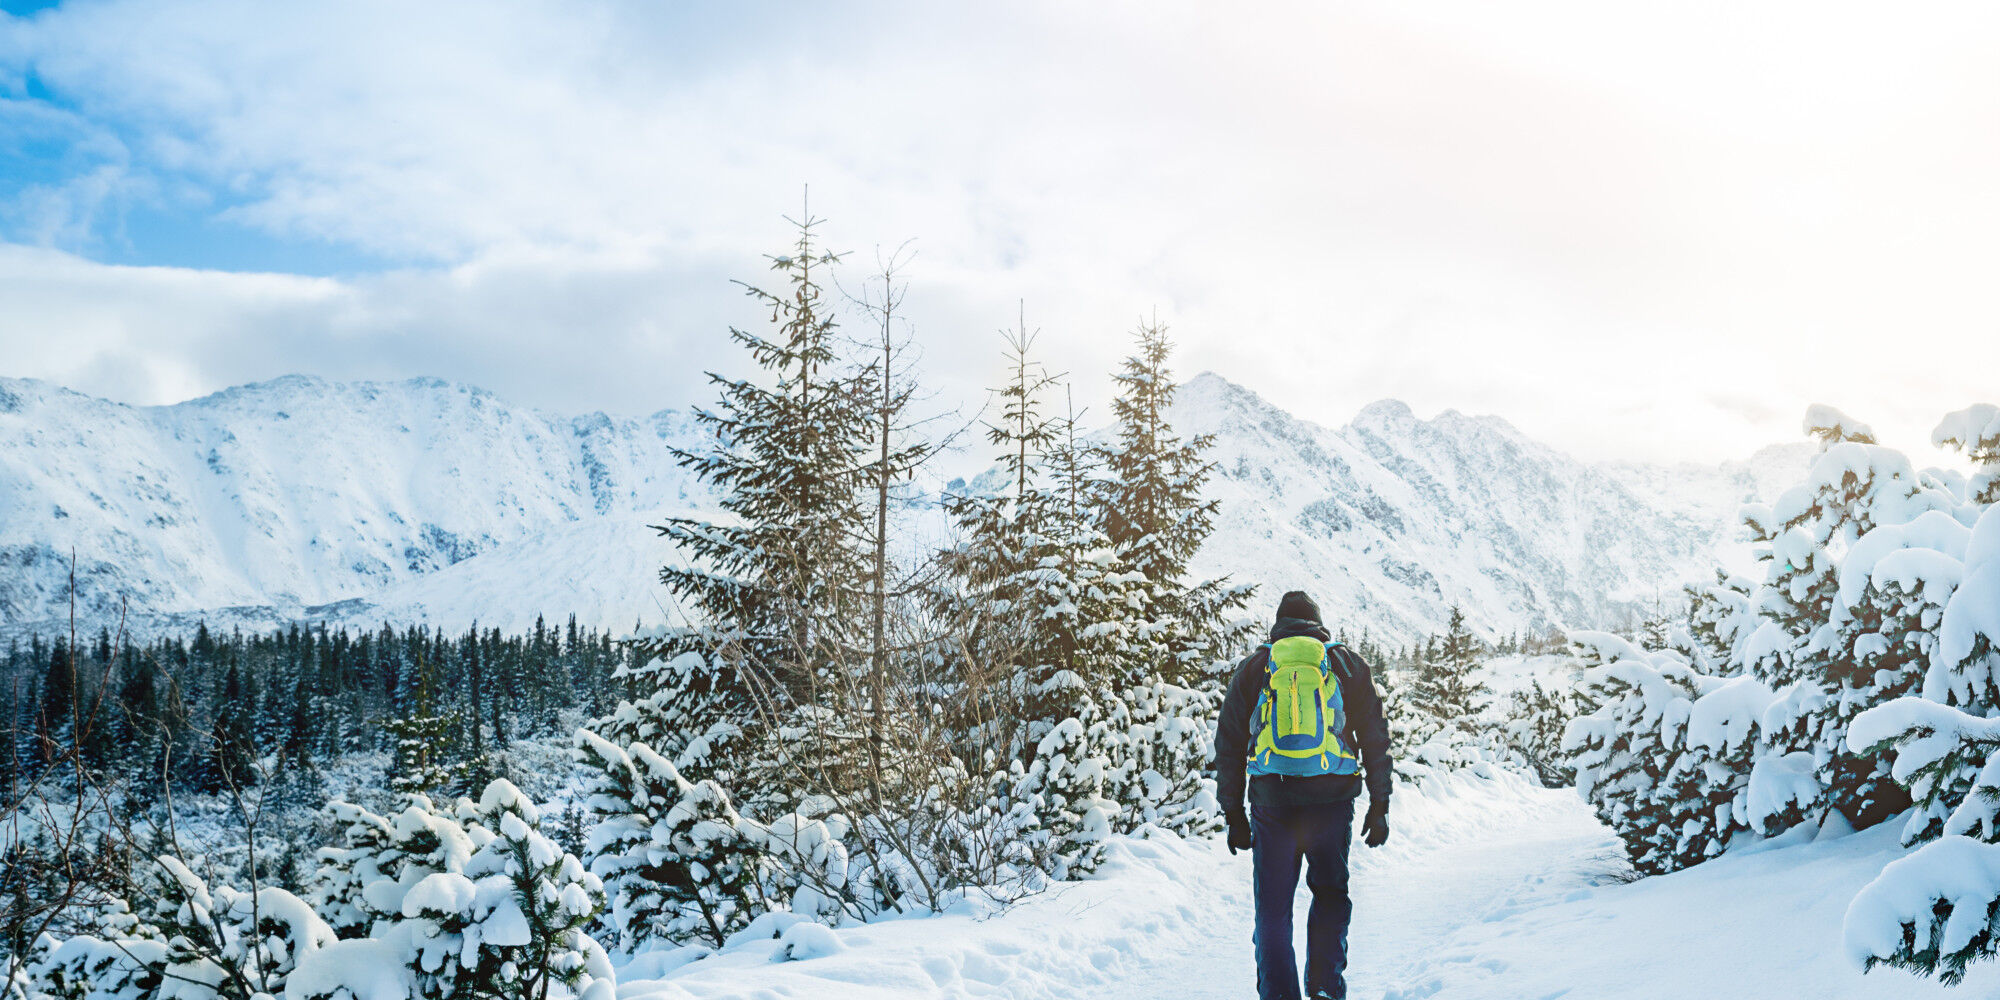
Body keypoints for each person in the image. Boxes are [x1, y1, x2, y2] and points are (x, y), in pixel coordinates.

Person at [1214, 590, 1394, 1000]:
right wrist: (1380, 803)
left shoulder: (1256, 667)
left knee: (1272, 910)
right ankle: (1325, 989)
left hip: (1272, 803)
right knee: (1330, 896)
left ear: (1278, 626)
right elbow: (1375, 737)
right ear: (1318, 624)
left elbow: (1228, 745)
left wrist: (1234, 814)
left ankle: (1279, 995)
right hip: (1332, 802)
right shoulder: (1345, 664)